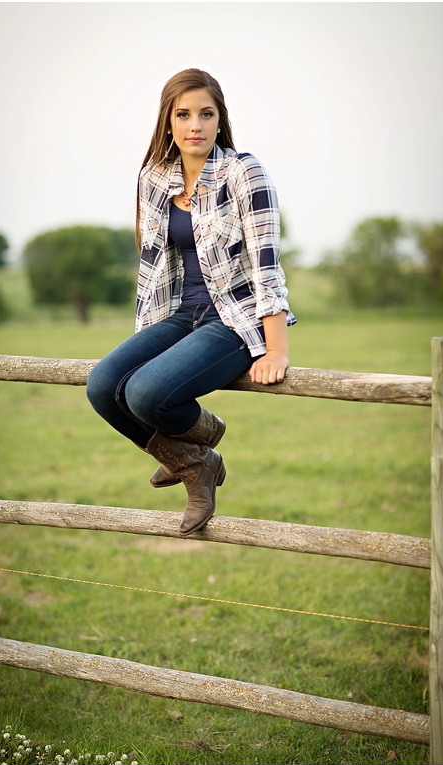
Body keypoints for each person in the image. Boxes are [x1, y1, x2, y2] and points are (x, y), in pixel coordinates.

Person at [85, 68, 293, 536]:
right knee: (103, 385)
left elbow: (266, 263)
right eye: (183, 114)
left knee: (145, 393)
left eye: (206, 113)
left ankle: (198, 451)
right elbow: (152, 269)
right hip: (180, 314)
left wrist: (275, 349)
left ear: (221, 120)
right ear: (168, 122)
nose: (195, 125)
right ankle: (196, 460)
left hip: (235, 319)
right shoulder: (155, 179)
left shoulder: (243, 171)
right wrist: (149, 342)